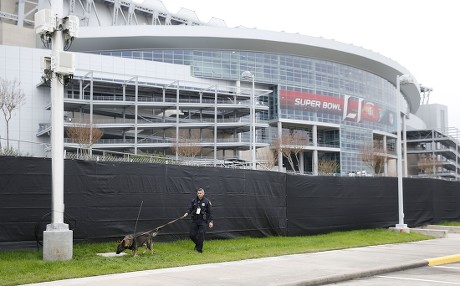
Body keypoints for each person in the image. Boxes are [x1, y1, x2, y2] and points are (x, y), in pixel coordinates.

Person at [183, 188, 213, 253]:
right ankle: (198, 244)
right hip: (195, 220)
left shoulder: (207, 201)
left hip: (203, 220)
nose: (199, 194)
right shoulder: (193, 201)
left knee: (201, 234)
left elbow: (209, 213)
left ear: (203, 193)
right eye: (198, 193)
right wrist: (187, 213)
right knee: (192, 235)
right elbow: (190, 209)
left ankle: (199, 250)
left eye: (200, 193)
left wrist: (210, 221)